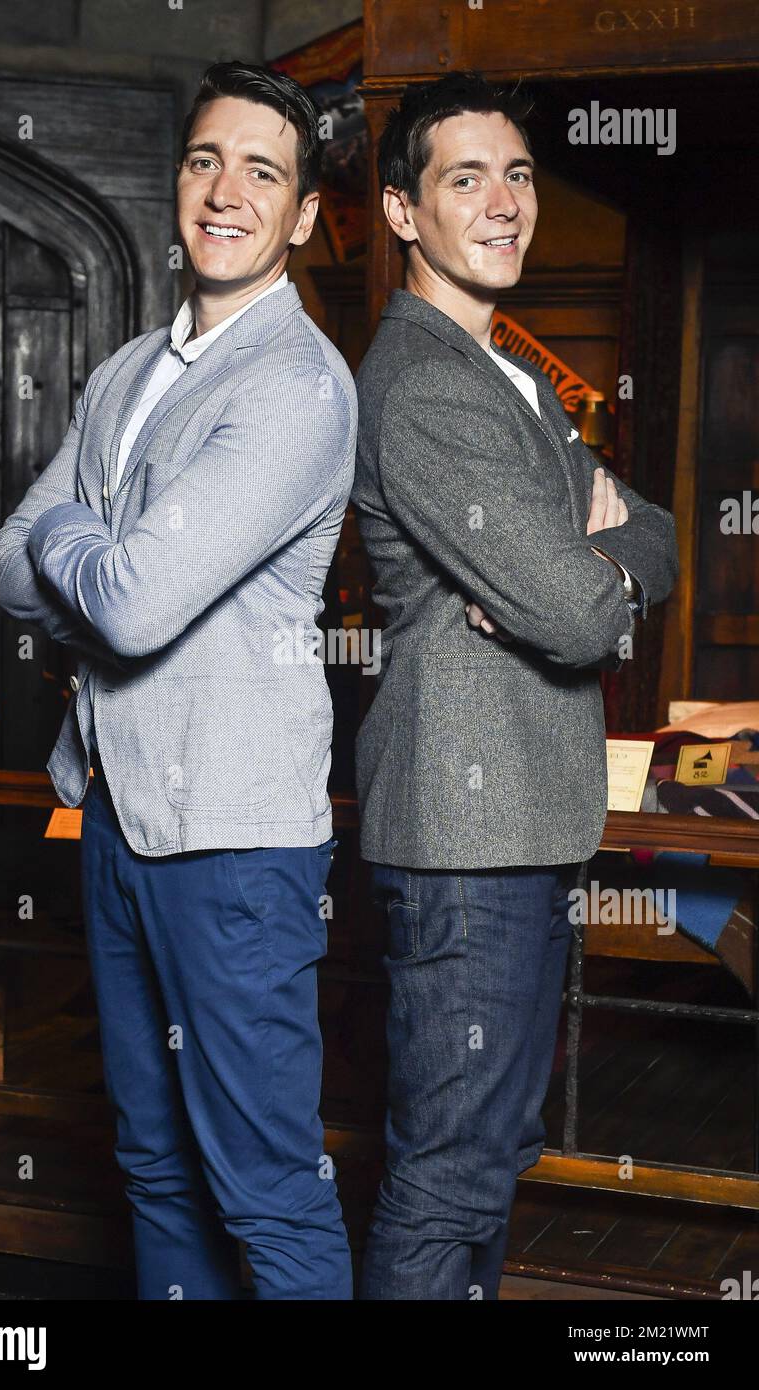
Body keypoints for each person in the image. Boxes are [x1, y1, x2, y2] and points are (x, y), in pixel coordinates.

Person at [0, 60, 356, 1301]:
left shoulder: (299, 384)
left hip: (236, 847)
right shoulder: (125, 373)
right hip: (112, 813)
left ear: (304, 215)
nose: (228, 190)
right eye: (208, 160)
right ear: (177, 183)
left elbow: (133, 603)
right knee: (152, 1162)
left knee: (264, 1186)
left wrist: (77, 537)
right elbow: (4, 566)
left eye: (265, 170)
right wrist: (90, 550)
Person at [351, 71, 678, 1301]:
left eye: (520, 173)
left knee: (488, 1161)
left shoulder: (519, 380)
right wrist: (580, 569)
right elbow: (584, 613)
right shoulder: (428, 381)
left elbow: (653, 538)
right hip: (466, 838)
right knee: (450, 1175)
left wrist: (589, 554)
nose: (505, 203)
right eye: (464, 178)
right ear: (400, 212)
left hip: (524, 830)